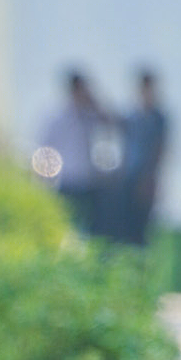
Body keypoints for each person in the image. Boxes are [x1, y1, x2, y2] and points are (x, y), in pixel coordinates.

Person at [38, 70, 111, 235]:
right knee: (68, 227)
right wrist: (45, 181)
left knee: (90, 228)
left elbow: (110, 124)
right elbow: (45, 151)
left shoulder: (89, 116)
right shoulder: (57, 119)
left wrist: (94, 103)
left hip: (88, 181)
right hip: (67, 181)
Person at [116, 68, 169, 246]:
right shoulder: (133, 117)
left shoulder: (158, 119)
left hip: (146, 180)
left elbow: (160, 150)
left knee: (143, 228)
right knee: (127, 225)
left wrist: (150, 179)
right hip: (129, 178)